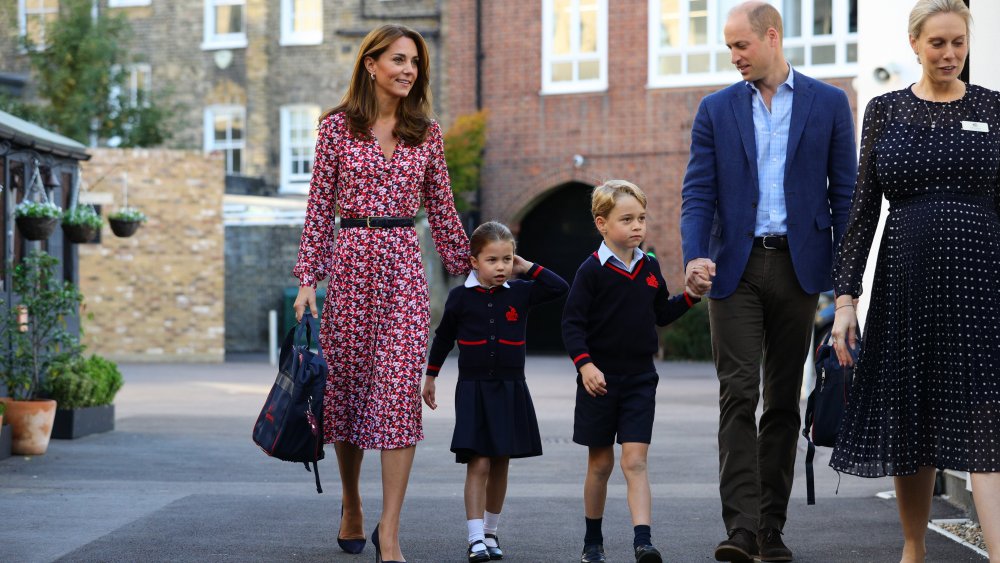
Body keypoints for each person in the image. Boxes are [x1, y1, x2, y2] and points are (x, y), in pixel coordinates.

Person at [679, 2, 857, 560]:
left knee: (783, 400)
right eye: (728, 48)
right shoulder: (715, 109)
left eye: (740, 46)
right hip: (734, 268)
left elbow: (846, 196)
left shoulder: (829, 103)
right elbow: (698, 192)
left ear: (771, 37)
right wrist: (694, 256)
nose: (733, 57)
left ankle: (770, 530)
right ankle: (740, 528)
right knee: (738, 395)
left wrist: (844, 282)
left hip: (800, 268)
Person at [291, 24, 470, 563]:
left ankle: (389, 531)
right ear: (370, 64)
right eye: (398, 59)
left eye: (415, 61)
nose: (409, 69)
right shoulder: (335, 130)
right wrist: (308, 280)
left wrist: (484, 269)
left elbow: (442, 210)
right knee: (345, 395)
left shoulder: (427, 133)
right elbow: (319, 209)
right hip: (350, 268)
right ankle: (351, 503)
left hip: (403, 276)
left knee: (395, 398)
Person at [829, 1, 1000, 561]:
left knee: (985, 415)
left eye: (958, 42)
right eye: (937, 44)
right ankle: (913, 548)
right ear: (915, 44)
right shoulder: (885, 110)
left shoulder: (994, 109)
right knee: (913, 412)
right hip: (907, 284)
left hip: (982, 283)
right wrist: (847, 299)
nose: (949, 54)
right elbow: (860, 213)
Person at [562, 180, 700, 563]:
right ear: (602, 223)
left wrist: (691, 296)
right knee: (601, 463)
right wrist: (585, 365)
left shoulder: (650, 266)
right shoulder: (590, 271)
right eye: (627, 219)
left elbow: (660, 313)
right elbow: (572, 325)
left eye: (641, 217)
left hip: (641, 379)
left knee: (635, 461)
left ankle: (644, 541)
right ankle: (593, 542)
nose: (637, 226)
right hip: (599, 382)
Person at [421, 221, 568, 562]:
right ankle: (474, 538)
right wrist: (430, 376)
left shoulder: (520, 291)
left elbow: (560, 287)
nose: (501, 266)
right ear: (474, 261)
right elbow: (443, 339)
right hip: (473, 389)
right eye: (492, 260)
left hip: (511, 387)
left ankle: (490, 532)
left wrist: (526, 267)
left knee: (501, 461)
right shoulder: (460, 297)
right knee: (479, 461)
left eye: (507, 259)